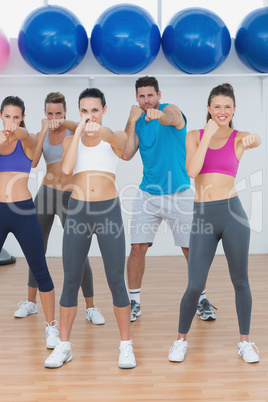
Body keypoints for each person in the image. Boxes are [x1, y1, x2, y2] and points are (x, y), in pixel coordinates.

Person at [168, 83, 261, 364]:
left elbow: (254, 139)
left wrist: (254, 138)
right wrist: (208, 135)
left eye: (227, 107)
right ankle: (180, 340)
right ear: (209, 109)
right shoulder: (195, 136)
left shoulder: (238, 137)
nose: (222, 111)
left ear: (234, 110)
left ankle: (244, 342)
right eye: (217, 106)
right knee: (195, 284)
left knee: (240, 281)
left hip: (232, 214)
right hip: (203, 216)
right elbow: (192, 170)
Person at [44, 88, 136, 369]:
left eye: (95, 110)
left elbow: (123, 151)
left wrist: (102, 131)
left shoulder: (114, 136)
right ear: (79, 113)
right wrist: (80, 133)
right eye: (84, 111)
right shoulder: (72, 139)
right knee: (71, 277)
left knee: (115, 279)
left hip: (108, 211)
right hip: (79, 211)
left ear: (104, 110)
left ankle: (126, 346)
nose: (90, 115)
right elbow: (67, 169)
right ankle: (64, 346)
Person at [122, 76, 215, 322]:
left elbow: (173, 119)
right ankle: (134, 301)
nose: (146, 100)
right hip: (148, 195)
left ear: (159, 94)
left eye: (150, 95)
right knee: (136, 249)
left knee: (190, 249)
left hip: (180, 193)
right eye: (141, 96)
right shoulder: (138, 121)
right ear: (136, 98)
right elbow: (126, 153)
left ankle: (201, 298)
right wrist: (131, 121)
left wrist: (159, 115)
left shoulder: (170, 110)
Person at [13, 92, 105, 327]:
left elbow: (78, 125)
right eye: (50, 112)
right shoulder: (40, 134)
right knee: (36, 248)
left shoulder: (74, 130)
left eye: (59, 112)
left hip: (68, 196)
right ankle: (31, 302)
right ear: (45, 113)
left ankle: (91, 307)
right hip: (45, 195)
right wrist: (43, 130)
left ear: (65, 112)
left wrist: (63, 123)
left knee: (78, 252)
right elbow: (33, 163)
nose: (54, 116)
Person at [0, 95, 58, 349]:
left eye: (16, 116)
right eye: (7, 116)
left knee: (40, 269)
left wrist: (18, 131)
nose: (11, 121)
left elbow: (28, 140)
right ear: (1, 116)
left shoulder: (29, 138)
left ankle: (52, 328)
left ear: (22, 117)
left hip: (23, 211)